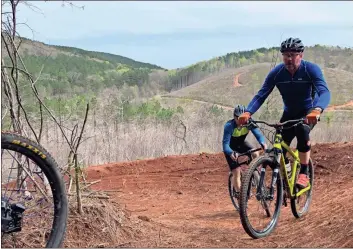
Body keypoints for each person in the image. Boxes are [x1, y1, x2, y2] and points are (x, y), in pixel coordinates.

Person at [238, 37, 331, 189]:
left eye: (293, 55)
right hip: (289, 113)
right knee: (278, 146)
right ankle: (286, 174)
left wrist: (317, 109)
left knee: (302, 130)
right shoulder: (277, 73)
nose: (289, 58)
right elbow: (261, 94)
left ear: (301, 55)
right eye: (286, 55)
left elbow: (324, 92)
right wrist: (248, 112)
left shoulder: (310, 69)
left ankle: (304, 172)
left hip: (308, 112)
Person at [223, 104, 267, 198]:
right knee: (237, 171)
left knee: (255, 153)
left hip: (241, 144)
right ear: (234, 117)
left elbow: (258, 135)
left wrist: (263, 143)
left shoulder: (249, 122)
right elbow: (225, 145)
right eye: (238, 118)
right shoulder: (229, 126)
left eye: (242, 118)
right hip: (231, 148)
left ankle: (255, 172)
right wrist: (231, 153)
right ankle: (240, 194)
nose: (241, 121)